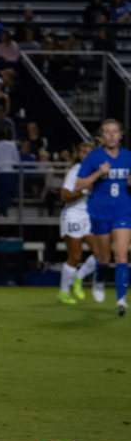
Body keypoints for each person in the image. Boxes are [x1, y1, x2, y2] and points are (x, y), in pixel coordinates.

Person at [75, 120, 131, 315]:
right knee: (105, 258)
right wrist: (99, 172)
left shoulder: (128, 157)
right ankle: (99, 278)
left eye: (115, 132)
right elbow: (78, 185)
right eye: (107, 132)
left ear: (121, 135)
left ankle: (121, 300)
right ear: (101, 136)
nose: (111, 135)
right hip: (99, 212)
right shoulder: (94, 157)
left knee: (122, 254)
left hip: (123, 211)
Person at [57, 141, 99, 304]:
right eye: (83, 152)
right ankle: (64, 292)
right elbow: (65, 197)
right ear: (80, 155)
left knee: (102, 255)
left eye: (90, 152)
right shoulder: (75, 171)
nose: (86, 154)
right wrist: (85, 191)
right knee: (75, 256)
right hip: (73, 216)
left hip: (88, 217)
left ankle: (78, 278)